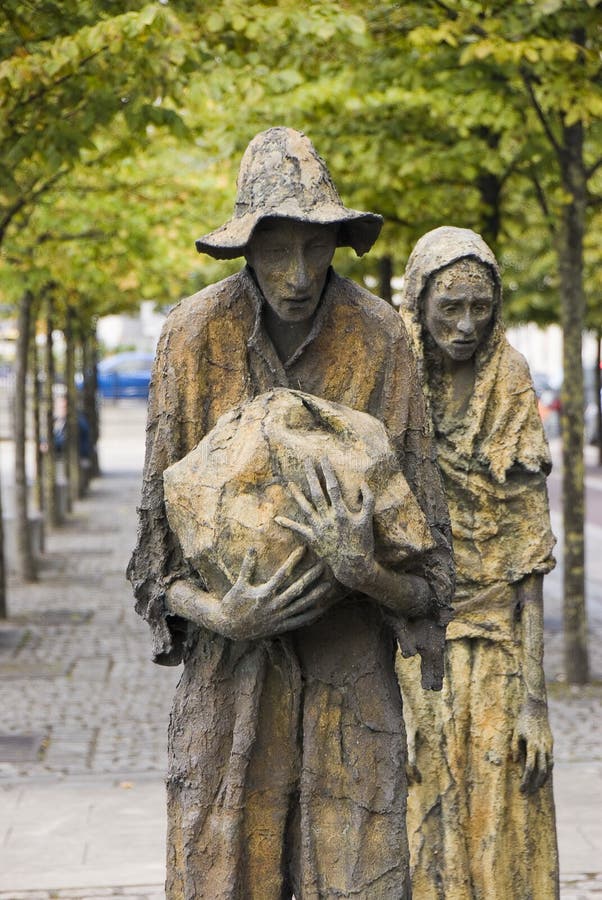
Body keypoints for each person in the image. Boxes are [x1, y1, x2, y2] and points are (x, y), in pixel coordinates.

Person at [127, 127, 453, 900]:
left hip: (351, 685)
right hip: (230, 685)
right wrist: (220, 612)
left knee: (360, 878)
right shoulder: (192, 336)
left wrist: (365, 572)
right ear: (246, 246)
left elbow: (435, 578)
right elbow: (151, 563)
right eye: (276, 250)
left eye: (315, 247)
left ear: (338, 240)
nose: (298, 275)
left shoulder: (380, 338)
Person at [396, 226, 559, 899]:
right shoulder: (394, 378)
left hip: (497, 647)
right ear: (419, 301)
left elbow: (529, 551)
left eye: (480, 308)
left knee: (504, 823)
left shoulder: (510, 379)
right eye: (450, 308)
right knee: (421, 823)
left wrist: (536, 703)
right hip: (413, 642)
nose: (465, 326)